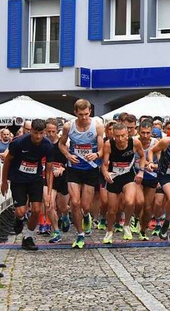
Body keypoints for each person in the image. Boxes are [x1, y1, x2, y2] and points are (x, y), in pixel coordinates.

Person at [1, 119, 54, 250]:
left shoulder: (47, 145)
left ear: (44, 133)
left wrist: (48, 191)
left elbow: (49, 169)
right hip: (18, 179)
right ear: (30, 131)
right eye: (35, 133)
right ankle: (18, 219)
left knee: (36, 210)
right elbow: (7, 162)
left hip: (35, 179)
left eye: (41, 133)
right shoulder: (18, 143)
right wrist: (4, 182)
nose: (38, 136)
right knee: (20, 211)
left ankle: (28, 237)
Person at [59, 99, 104, 249]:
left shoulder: (97, 126)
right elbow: (61, 144)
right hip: (74, 167)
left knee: (85, 205)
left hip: (90, 168)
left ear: (90, 112)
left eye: (86, 114)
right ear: (75, 113)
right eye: (81, 114)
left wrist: (96, 154)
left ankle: (86, 215)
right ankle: (80, 234)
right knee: (75, 202)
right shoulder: (68, 126)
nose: (84, 117)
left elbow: (103, 149)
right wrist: (67, 155)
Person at [100, 123, 146, 244]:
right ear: (113, 135)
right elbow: (104, 164)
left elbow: (142, 156)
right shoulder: (109, 144)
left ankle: (126, 225)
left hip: (128, 175)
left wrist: (141, 171)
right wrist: (105, 173)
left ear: (128, 134)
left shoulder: (135, 143)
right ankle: (109, 231)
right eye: (117, 136)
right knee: (112, 209)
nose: (120, 139)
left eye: (123, 136)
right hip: (114, 176)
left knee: (130, 201)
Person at [44, 118, 70, 244]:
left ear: (57, 131)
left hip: (62, 178)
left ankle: (65, 216)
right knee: (49, 205)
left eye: (53, 131)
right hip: (47, 178)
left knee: (63, 207)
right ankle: (56, 232)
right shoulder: (41, 144)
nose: (50, 134)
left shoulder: (62, 144)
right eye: (48, 131)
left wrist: (62, 167)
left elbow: (70, 161)